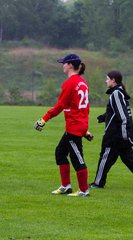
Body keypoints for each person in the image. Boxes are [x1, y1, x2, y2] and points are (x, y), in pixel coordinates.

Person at [34, 53, 92, 197]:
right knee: (60, 153)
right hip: (77, 125)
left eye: (64, 63)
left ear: (70, 65)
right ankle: (66, 186)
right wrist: (85, 130)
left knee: (77, 159)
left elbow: (60, 105)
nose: (63, 65)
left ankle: (84, 190)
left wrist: (44, 119)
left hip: (74, 127)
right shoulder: (82, 82)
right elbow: (84, 109)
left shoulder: (70, 82)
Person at [89, 71, 133, 190]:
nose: (106, 81)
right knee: (129, 158)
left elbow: (123, 116)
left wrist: (124, 134)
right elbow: (116, 111)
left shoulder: (116, 94)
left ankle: (98, 183)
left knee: (105, 157)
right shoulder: (119, 93)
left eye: (107, 79)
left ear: (113, 80)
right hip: (121, 134)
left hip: (115, 135)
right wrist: (104, 117)